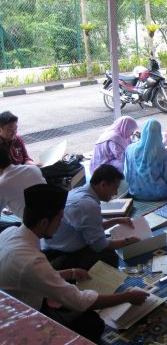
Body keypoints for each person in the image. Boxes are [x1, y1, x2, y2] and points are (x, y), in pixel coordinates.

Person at [0, 184, 148, 343]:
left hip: (14, 298)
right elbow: (79, 301)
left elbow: (31, 275)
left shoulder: (10, 232)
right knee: (92, 325)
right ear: (43, 223)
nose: (60, 223)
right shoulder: (31, 260)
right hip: (19, 314)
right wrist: (127, 297)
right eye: (59, 218)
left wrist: (68, 273)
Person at [42, 164, 140, 270]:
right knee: (109, 257)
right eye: (115, 188)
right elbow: (100, 246)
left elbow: (92, 226)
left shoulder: (79, 191)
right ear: (103, 184)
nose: (116, 193)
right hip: (58, 255)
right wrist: (127, 240)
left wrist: (117, 220)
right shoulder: (88, 205)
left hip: (53, 246)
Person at [124, 119, 167, 200]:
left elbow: (126, 175)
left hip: (134, 192)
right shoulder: (161, 152)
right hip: (157, 194)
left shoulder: (130, 148)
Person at [0, 145, 46, 224]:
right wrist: (16, 208)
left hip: (35, 226)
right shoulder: (33, 169)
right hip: (53, 214)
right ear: (9, 156)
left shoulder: (2, 184)